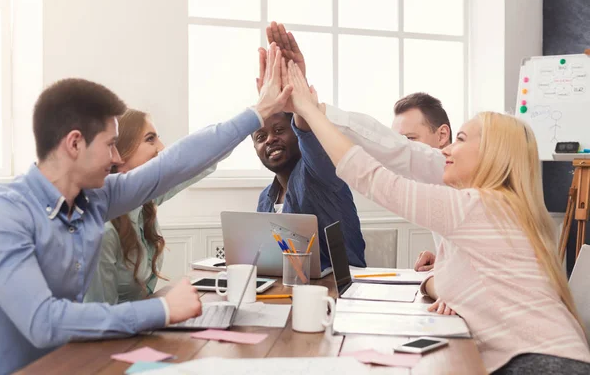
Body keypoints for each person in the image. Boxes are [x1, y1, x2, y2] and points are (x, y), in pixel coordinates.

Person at [0, 43, 292, 374]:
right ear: (75, 144)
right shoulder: (4, 213)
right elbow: (43, 322)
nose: (118, 159)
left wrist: (257, 113)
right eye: (109, 146)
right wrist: (162, 309)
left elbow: (172, 165)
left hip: (80, 361)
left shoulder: (95, 199)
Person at [285, 59, 590, 374]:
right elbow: (455, 284)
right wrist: (442, 281)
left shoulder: (476, 206)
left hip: (541, 364)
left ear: (494, 154)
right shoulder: (501, 208)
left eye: (460, 139)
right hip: (546, 358)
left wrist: (310, 111)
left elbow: (373, 178)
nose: (445, 151)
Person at [264, 21, 452, 273]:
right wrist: (446, 261)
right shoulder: (429, 188)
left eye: (410, 138)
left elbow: (391, 154)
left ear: (443, 136)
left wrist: (309, 107)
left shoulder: (454, 177)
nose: (394, 151)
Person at [253, 30, 366, 268]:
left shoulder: (319, 170)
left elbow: (308, 132)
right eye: (261, 136)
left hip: (339, 290)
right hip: (289, 290)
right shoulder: (266, 198)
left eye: (279, 130)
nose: (270, 140)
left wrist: (298, 102)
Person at [84, 109, 215, 304]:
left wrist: (257, 116)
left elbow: (197, 164)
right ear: (119, 154)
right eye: (150, 139)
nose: (161, 148)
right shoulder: (101, 231)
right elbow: (100, 324)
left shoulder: (145, 202)